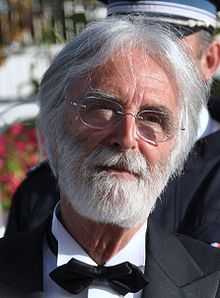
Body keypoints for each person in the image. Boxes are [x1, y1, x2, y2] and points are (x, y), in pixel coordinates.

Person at [1, 16, 220, 297]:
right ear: (52, 126)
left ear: (177, 148)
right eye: (102, 108)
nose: (127, 137)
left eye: (153, 119)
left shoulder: (213, 283)